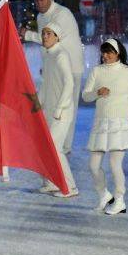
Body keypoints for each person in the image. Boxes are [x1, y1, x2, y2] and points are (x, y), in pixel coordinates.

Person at [82, 39, 128, 214]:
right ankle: (103, 195)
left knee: (115, 165)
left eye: (109, 52)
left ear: (118, 53)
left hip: (120, 123)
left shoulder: (127, 71)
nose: (105, 56)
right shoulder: (97, 71)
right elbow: (85, 96)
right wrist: (97, 93)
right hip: (101, 123)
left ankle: (120, 200)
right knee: (93, 165)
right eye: (103, 52)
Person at [20, 0, 84, 155]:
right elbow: (48, 45)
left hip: (72, 67)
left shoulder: (62, 14)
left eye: (42, 0)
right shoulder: (41, 16)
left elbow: (49, 38)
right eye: (36, 1)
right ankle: (53, 142)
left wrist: (27, 34)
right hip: (54, 66)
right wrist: (47, 66)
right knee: (49, 104)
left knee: (67, 107)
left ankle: (64, 147)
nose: (38, 4)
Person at [37, 23, 77, 198]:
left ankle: (70, 186)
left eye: (49, 33)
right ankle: (52, 182)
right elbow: (45, 85)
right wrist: (35, 106)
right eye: (43, 33)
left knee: (54, 147)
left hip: (62, 111)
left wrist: (61, 107)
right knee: (45, 146)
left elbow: (70, 83)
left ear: (57, 37)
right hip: (49, 110)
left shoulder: (61, 55)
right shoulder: (48, 56)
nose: (45, 36)